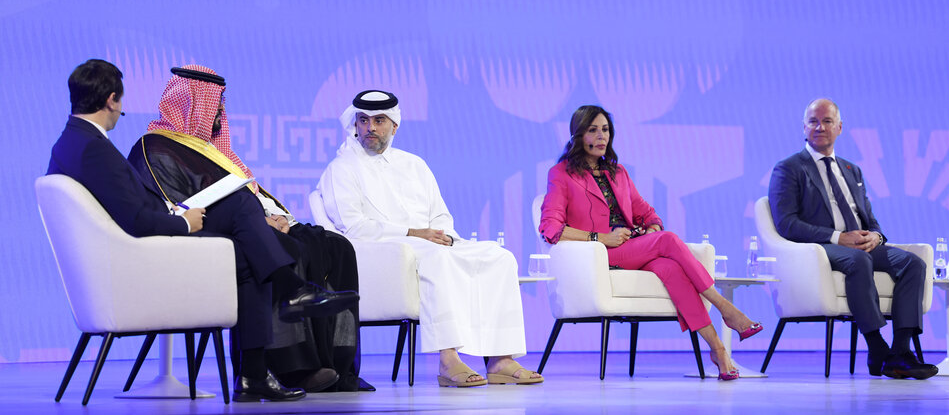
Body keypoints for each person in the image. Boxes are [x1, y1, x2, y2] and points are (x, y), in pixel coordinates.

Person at [47, 59, 358, 402]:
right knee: (243, 214)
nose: (122, 112)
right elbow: (137, 217)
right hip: (149, 250)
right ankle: (289, 296)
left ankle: (254, 372)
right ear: (111, 99)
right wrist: (183, 221)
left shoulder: (73, 143)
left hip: (144, 244)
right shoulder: (100, 148)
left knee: (248, 244)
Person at [127, 65, 372, 393]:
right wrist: (256, 219)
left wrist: (275, 216)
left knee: (332, 245)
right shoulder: (156, 146)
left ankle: (337, 367)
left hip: (248, 225)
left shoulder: (215, 151)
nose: (220, 111)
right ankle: (293, 368)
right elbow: (179, 204)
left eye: (221, 104)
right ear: (190, 103)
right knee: (283, 251)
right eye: (214, 103)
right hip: (199, 237)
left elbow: (250, 193)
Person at [316, 90, 543, 387]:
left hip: (426, 244)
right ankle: (448, 359)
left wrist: (444, 236)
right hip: (383, 251)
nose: (370, 127)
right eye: (363, 120)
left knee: (499, 257)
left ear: (394, 126)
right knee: (437, 259)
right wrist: (414, 233)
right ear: (355, 124)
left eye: (379, 120)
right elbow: (353, 227)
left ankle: (501, 359)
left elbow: (440, 215)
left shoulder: (414, 164)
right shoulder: (342, 168)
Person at [540, 105, 762, 381]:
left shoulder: (617, 172)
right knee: (667, 240)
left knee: (672, 269)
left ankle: (718, 350)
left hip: (633, 248)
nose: (601, 137)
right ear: (577, 135)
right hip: (599, 255)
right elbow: (551, 228)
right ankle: (725, 308)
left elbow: (647, 213)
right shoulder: (561, 174)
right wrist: (601, 238)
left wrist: (651, 228)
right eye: (592, 130)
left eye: (605, 130)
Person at [768, 98, 936, 379]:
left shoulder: (851, 170)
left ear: (839, 127)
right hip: (820, 248)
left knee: (914, 264)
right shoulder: (789, 168)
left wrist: (876, 237)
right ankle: (877, 347)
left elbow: (868, 217)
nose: (820, 127)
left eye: (827, 121)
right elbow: (786, 224)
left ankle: (900, 353)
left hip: (860, 245)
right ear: (804, 127)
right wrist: (837, 237)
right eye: (813, 121)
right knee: (858, 261)